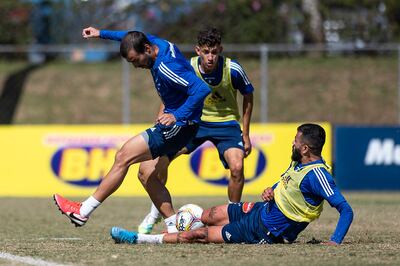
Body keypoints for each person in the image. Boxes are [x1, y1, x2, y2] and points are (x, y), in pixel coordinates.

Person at [94, 27, 254, 234]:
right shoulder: (187, 66)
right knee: (156, 165)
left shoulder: (233, 69)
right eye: (206, 52)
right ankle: (156, 214)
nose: (210, 57)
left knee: (237, 168)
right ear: (198, 51)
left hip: (226, 124)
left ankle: (233, 218)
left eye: (214, 52)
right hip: (193, 122)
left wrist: (246, 133)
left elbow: (248, 95)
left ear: (220, 50)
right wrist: (161, 122)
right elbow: (170, 96)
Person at [53, 27, 211, 233]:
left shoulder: (167, 66)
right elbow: (129, 35)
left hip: (180, 126)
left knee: (123, 156)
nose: (135, 66)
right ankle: (174, 226)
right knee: (147, 175)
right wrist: (101, 33)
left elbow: (201, 89)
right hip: (179, 124)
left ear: (147, 49)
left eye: (135, 60)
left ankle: (83, 211)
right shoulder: (158, 44)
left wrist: (176, 115)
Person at [109, 123, 354, 245]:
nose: (292, 143)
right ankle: (175, 227)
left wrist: (334, 241)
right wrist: (272, 191)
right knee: (210, 213)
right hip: (261, 210)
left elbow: (346, 209)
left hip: (265, 231)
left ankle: (139, 239)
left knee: (200, 234)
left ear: (305, 148)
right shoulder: (299, 163)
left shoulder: (319, 175)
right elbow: (289, 185)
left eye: (295, 141)